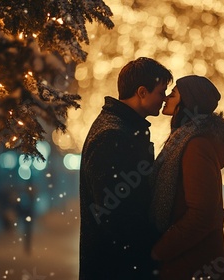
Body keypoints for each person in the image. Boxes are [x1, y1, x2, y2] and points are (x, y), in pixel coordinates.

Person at [79, 57, 173, 279]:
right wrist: (148, 250)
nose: (164, 99)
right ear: (142, 92)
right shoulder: (113, 135)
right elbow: (116, 215)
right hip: (117, 267)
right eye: (161, 92)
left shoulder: (123, 128)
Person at [150, 75, 224, 280]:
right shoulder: (183, 139)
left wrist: (159, 250)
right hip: (188, 258)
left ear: (188, 102)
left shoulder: (195, 146)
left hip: (192, 262)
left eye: (172, 94)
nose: (166, 99)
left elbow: (201, 215)